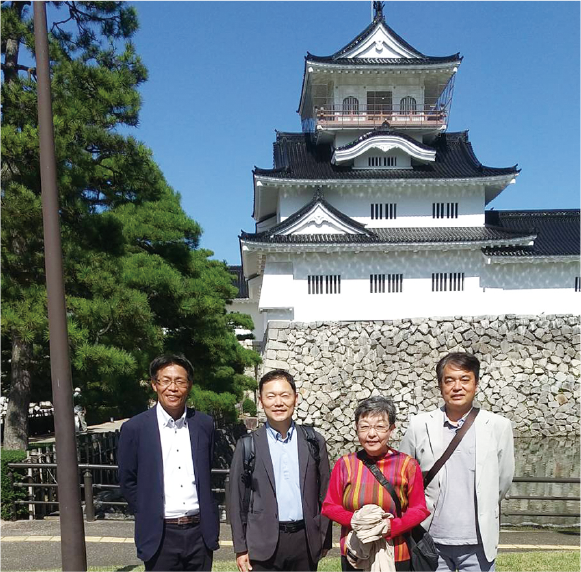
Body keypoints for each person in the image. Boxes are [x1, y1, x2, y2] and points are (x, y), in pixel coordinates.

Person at [399, 352, 515, 572]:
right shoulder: (419, 425)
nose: (457, 386)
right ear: (441, 385)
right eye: (449, 380)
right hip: (430, 540)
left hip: (478, 542)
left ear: (476, 384)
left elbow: (503, 480)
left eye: (465, 379)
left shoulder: (498, 426)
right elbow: (403, 477)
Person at [117, 354, 219, 572]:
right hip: (160, 533)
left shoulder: (204, 424)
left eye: (180, 381)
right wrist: (147, 509)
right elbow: (128, 481)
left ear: (189, 385)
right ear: (155, 385)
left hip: (199, 532)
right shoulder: (135, 428)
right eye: (166, 381)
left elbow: (207, 471)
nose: (173, 388)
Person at [228, 369, 332, 572]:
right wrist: (240, 548)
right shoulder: (248, 445)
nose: (278, 402)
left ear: (296, 398)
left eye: (285, 395)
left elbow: (325, 493)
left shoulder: (313, 440)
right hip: (263, 542)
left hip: (305, 541)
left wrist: (324, 538)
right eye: (271, 396)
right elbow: (236, 499)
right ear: (261, 401)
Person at [322, 396, 430, 572]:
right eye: (364, 426)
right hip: (355, 552)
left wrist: (390, 527)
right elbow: (329, 506)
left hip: (397, 553)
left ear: (391, 429)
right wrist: (357, 521)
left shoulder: (407, 465)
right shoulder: (345, 464)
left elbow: (419, 509)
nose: (371, 434)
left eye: (380, 426)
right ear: (356, 429)